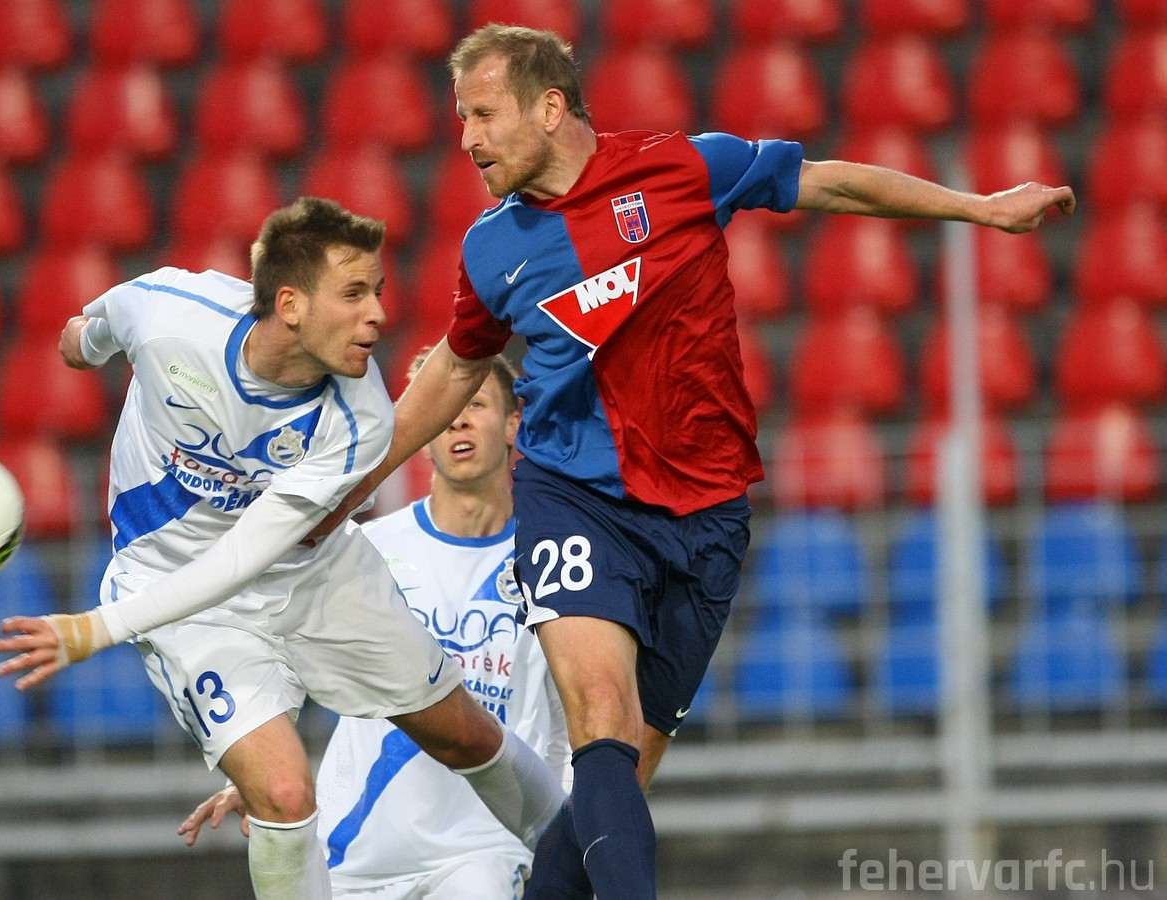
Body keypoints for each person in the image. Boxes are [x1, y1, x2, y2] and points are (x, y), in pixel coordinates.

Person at [311, 25, 1079, 900]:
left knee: (614, 782)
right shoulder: (493, 247)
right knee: (601, 720)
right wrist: (354, 481)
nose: (467, 138)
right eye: (460, 118)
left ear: (549, 107)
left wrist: (980, 207)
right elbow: (455, 365)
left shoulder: (681, 169)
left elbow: (828, 182)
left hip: (706, 510)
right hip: (574, 495)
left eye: (483, 115)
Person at [0, 197, 564, 900]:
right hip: (180, 593)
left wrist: (92, 630)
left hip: (311, 571)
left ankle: (581, 864)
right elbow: (91, 333)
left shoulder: (360, 416)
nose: (378, 315)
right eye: (354, 294)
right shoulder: (171, 313)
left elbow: (248, 554)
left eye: (379, 291)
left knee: (465, 735)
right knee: (285, 794)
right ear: (290, 304)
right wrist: (82, 345)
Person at [179, 351, 570, 899]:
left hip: (487, 845)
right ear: (423, 432)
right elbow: (286, 659)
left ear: (512, 424)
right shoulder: (370, 548)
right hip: (361, 844)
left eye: (476, 404)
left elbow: (569, 716)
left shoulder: (552, 563)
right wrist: (254, 769)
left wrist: (570, 829)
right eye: (446, 409)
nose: (457, 421)